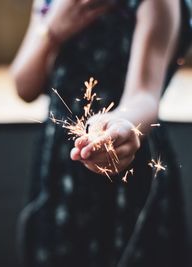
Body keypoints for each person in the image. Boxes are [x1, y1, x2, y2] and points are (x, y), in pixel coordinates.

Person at [11, 0, 191, 267]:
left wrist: (121, 122)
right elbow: (24, 86)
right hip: (58, 172)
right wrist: (52, 31)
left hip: (126, 161)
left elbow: (144, 94)